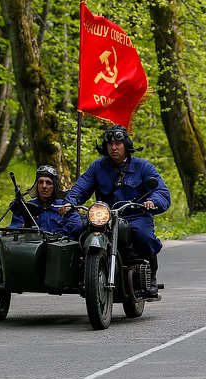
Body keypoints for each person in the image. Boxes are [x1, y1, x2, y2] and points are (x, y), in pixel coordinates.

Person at [64, 124, 171, 299]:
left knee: (144, 237)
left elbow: (162, 192)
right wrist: (70, 202)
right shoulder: (98, 167)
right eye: (110, 144)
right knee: (75, 232)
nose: (114, 147)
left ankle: (150, 273)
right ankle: (81, 272)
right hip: (104, 216)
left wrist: (153, 201)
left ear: (126, 145)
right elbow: (81, 187)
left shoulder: (143, 167)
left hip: (134, 215)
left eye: (118, 143)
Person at [9, 165, 84, 241]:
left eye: (48, 183)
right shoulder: (26, 208)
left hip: (57, 250)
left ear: (54, 186)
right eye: (41, 182)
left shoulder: (64, 206)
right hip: (30, 250)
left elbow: (77, 226)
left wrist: (59, 238)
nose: (44, 186)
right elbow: (14, 231)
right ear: (36, 185)